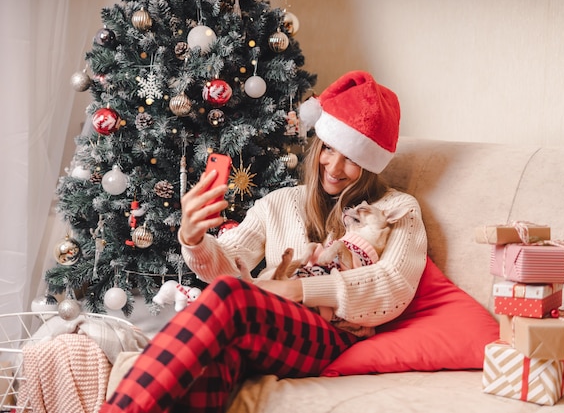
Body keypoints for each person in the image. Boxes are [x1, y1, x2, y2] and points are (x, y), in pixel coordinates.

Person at [100, 70, 428, 413]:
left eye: (353, 159)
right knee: (212, 360)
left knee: (232, 295)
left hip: (336, 337)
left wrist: (296, 291)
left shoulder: (396, 208)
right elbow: (227, 259)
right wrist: (193, 238)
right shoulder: (282, 202)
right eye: (329, 149)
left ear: (371, 165)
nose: (334, 166)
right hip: (274, 330)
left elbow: (393, 285)